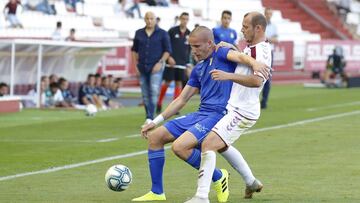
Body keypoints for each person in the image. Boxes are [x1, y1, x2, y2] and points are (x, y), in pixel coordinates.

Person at [132, 26, 269, 202]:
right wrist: (155, 121)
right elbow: (181, 99)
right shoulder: (199, 68)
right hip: (201, 114)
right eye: (191, 46)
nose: (193, 51)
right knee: (155, 137)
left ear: (210, 43)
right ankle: (157, 192)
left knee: (180, 147)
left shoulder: (221, 53)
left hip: (219, 115)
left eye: (197, 46)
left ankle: (218, 177)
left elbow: (240, 56)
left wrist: (254, 63)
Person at [185, 12, 272, 203]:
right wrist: (233, 47)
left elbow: (257, 81)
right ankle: (250, 181)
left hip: (243, 111)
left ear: (258, 28)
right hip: (235, 108)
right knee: (222, 145)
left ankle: (201, 197)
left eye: (246, 26)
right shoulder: (252, 48)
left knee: (208, 144)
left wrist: (228, 76)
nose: (242, 29)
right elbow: (245, 61)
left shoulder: (261, 52)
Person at [132, 11, 172, 126]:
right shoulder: (138, 33)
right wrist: (135, 65)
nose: (149, 21)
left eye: (151, 18)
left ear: (155, 19)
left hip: (156, 67)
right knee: (145, 93)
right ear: (144, 19)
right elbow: (134, 50)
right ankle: (148, 116)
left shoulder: (163, 33)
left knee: (154, 91)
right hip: (142, 67)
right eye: (147, 18)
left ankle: (150, 117)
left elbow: (167, 50)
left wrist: (160, 62)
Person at [157, 12, 191, 114]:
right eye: (183, 18)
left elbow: (189, 49)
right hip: (171, 62)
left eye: (186, 19)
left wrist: (187, 63)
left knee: (178, 83)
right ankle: (159, 103)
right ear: (180, 19)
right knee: (167, 82)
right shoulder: (172, 31)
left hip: (181, 63)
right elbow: (166, 45)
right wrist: (169, 57)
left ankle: (175, 107)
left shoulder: (189, 33)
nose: (184, 21)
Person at [262, 7, 277, 109]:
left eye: (270, 14)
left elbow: (275, 40)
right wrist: (269, 39)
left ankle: (264, 101)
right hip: (260, 51)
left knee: (267, 78)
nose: (268, 15)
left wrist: (266, 38)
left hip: (269, 53)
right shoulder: (260, 25)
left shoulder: (273, 27)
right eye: (267, 13)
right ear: (264, 14)